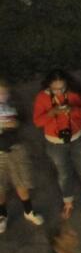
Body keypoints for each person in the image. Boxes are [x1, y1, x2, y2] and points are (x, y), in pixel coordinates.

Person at [32, 72, 81, 220]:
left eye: (62, 88)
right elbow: (37, 122)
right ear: (49, 86)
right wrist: (51, 113)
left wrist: (73, 110)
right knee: (63, 174)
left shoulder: (74, 93)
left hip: (77, 138)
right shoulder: (42, 98)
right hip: (55, 143)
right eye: (55, 89)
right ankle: (68, 202)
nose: (59, 92)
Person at [0, 80, 45, 232]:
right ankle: (2, 216)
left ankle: (28, 211)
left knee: (22, 182)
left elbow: (23, 119)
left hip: (15, 149)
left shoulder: (13, 105)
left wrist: (14, 123)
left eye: (3, 92)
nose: (1, 95)